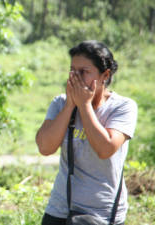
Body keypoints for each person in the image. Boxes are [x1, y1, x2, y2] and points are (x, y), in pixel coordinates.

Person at [36, 40, 138, 225]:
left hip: (103, 213)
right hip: (60, 209)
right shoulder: (60, 103)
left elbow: (105, 149)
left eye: (83, 72)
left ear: (104, 75)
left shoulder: (123, 107)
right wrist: (69, 106)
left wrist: (84, 106)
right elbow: (45, 147)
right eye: (72, 70)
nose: (75, 77)